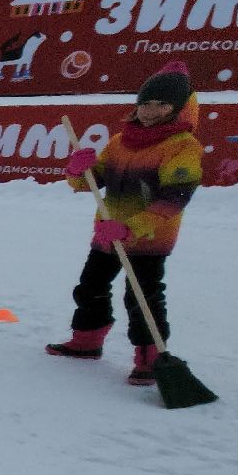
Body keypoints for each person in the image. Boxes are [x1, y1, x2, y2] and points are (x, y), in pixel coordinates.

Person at [45, 60, 203, 386]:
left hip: (148, 239)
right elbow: (91, 182)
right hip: (106, 233)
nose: (150, 110)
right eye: (145, 103)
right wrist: (78, 169)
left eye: (162, 104)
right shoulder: (121, 140)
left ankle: (150, 358)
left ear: (179, 108)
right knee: (91, 286)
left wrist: (132, 227)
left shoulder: (183, 147)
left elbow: (174, 199)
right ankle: (87, 341)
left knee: (142, 297)